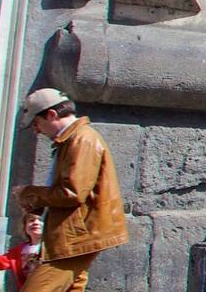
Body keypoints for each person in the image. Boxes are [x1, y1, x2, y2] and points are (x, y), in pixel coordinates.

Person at [10, 89, 129, 292]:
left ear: (51, 115)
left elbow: (72, 193)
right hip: (74, 235)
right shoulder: (72, 140)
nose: (37, 131)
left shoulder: (82, 139)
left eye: (36, 123)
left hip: (75, 238)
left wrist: (30, 194)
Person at [0, 213, 43, 290]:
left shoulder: (53, 248)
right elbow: (1, 263)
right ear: (24, 227)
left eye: (40, 220)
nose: (36, 223)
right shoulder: (20, 250)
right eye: (31, 220)